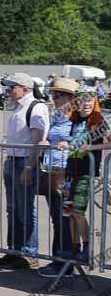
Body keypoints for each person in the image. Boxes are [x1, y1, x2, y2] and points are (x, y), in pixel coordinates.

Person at [0, 73, 49, 269]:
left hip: (24, 163)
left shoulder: (36, 108)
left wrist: (29, 167)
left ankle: (29, 252)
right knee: (12, 209)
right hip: (13, 161)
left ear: (24, 87)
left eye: (12, 87)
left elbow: (37, 142)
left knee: (25, 209)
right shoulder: (21, 107)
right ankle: (14, 250)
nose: (8, 91)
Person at [57, 88, 108, 266]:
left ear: (94, 103)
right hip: (71, 171)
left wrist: (90, 148)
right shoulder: (76, 120)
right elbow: (75, 141)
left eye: (89, 101)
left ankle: (86, 249)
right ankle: (74, 248)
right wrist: (66, 143)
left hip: (87, 172)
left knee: (78, 212)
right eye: (82, 101)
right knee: (69, 213)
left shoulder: (98, 120)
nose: (85, 104)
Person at [37, 78, 77, 278]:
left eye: (59, 95)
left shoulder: (78, 118)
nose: (55, 98)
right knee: (57, 218)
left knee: (65, 218)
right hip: (52, 171)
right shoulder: (57, 116)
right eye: (54, 94)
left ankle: (65, 263)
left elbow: (88, 138)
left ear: (71, 97)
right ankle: (58, 259)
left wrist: (67, 142)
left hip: (68, 173)